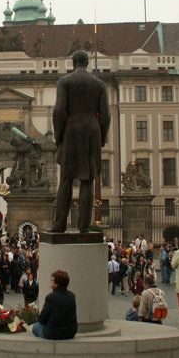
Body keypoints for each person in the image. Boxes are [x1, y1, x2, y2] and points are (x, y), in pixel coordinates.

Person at [50, 50, 111, 232]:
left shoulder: (65, 82)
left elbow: (59, 111)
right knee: (88, 180)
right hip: (92, 131)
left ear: (73, 62)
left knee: (66, 179)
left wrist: (58, 135)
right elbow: (106, 116)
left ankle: (59, 225)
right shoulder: (99, 84)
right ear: (87, 63)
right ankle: (84, 226)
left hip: (71, 130)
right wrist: (102, 137)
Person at [32, 270, 77, 340]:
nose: (50, 281)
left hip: (54, 333)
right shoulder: (72, 296)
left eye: (52, 280)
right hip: (71, 332)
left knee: (36, 326)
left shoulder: (51, 297)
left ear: (57, 283)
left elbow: (41, 318)